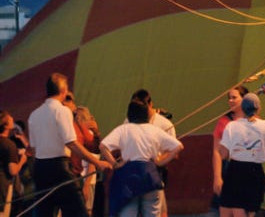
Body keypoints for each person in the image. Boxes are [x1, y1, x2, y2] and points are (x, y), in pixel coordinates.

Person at [27, 73, 111, 216]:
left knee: (44, 213)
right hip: (60, 169)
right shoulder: (62, 111)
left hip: (40, 169)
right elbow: (72, 143)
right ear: (63, 90)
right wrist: (97, 162)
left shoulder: (34, 115)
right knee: (79, 213)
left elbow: (34, 149)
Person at [100, 100, 183, 217]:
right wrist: (160, 161)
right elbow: (178, 146)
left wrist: (115, 164)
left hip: (128, 180)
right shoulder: (154, 130)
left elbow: (103, 146)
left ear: (129, 115)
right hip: (150, 177)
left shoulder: (123, 129)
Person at [219, 93, 265, 217]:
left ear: (242, 108)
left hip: (235, 170)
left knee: (237, 206)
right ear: (258, 109)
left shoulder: (231, 126)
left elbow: (223, 154)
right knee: (252, 209)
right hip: (255, 171)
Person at [129, 89, 175, 217]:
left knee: (159, 210)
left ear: (150, 104)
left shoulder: (165, 124)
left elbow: (174, 150)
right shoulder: (129, 121)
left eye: (142, 105)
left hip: (155, 172)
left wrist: (159, 160)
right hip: (134, 172)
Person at [212, 85, 249, 207]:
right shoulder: (224, 122)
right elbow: (216, 151)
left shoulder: (254, 120)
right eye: (229, 98)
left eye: (234, 97)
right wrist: (217, 177)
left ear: (244, 99)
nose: (230, 101)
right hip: (229, 169)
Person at [0, 111, 27, 217]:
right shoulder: (9, 145)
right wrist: (22, 160)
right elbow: (13, 170)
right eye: (10, 118)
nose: (12, 118)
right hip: (3, 188)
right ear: (5, 125)